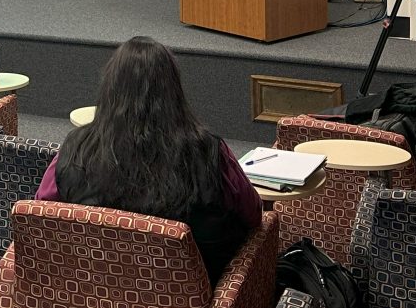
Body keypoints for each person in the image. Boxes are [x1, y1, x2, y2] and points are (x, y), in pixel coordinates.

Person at [35, 36, 262, 284]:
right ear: (174, 90)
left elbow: (43, 216)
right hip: (196, 293)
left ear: (110, 89)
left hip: (94, 289)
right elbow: (253, 214)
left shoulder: (74, 148)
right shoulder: (209, 151)